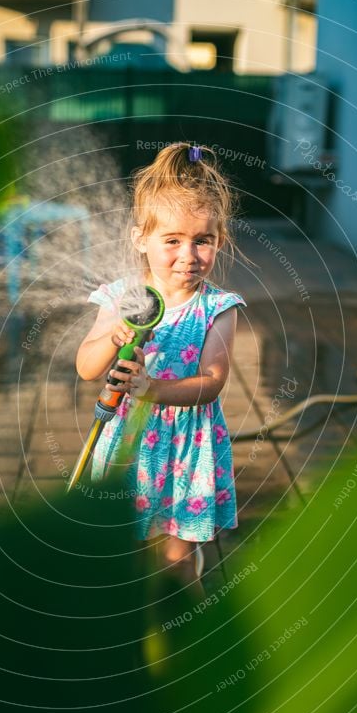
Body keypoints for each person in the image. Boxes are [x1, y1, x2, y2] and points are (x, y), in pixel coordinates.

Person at [76, 143, 246, 587]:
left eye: (202, 241)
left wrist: (150, 388)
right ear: (140, 239)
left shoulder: (219, 308)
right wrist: (113, 338)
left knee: (175, 558)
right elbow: (87, 367)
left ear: (218, 242)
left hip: (189, 448)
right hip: (129, 443)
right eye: (172, 240)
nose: (188, 255)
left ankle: (181, 627)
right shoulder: (122, 297)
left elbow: (211, 383)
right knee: (125, 553)